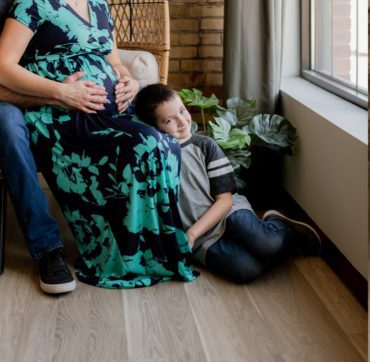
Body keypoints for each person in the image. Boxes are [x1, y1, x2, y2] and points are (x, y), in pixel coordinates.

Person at [0, 0, 195, 289]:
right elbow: (0, 68)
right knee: (145, 144)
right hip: (60, 116)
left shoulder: (100, 4)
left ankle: (156, 248)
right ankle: (118, 256)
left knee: (163, 145)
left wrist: (128, 78)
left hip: (111, 110)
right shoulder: (34, 0)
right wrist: (60, 92)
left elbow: (112, 60)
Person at [0, 0, 106, 294]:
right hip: (7, 97)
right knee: (12, 130)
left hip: (61, 91)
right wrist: (54, 94)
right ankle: (48, 249)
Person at [133, 83, 321, 283]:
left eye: (182, 111)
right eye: (170, 120)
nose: (182, 121)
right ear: (154, 129)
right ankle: (253, 245)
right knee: (246, 270)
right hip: (203, 240)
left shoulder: (205, 146)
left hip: (225, 212)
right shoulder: (152, 161)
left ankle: (280, 227)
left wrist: (191, 234)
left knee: (267, 243)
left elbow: (225, 201)